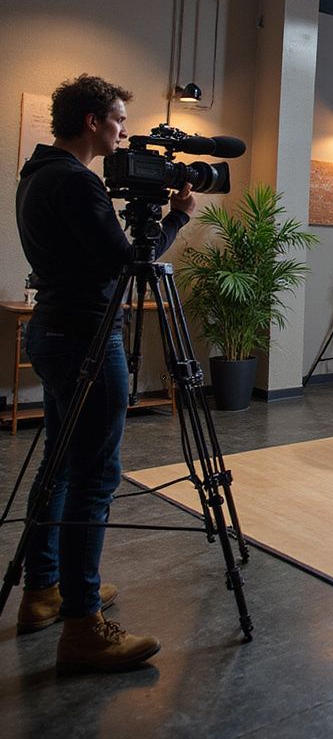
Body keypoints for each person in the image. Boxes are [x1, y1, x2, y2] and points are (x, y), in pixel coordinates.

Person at [14, 74, 196, 672]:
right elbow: (126, 262)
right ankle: (83, 626)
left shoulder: (38, 174)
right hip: (88, 336)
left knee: (60, 464)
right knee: (95, 478)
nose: (122, 130)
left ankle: (45, 589)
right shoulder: (75, 180)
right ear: (92, 121)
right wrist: (176, 220)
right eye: (118, 119)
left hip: (54, 329)